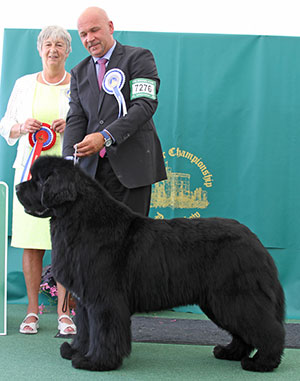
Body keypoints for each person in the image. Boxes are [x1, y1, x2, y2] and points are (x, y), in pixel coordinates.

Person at [0, 26, 76, 335]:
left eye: (60, 44)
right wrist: (21, 126)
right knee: (31, 245)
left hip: (65, 177)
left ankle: (64, 314)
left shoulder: (80, 84)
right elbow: (5, 124)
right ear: (39, 49)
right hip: (30, 175)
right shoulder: (23, 84)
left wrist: (71, 123)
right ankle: (32, 312)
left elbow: (89, 124)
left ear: (68, 51)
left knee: (66, 246)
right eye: (48, 44)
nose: (53, 49)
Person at [63, 6, 167, 216]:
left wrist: (105, 137)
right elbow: (75, 118)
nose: (89, 38)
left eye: (94, 30)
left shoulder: (139, 58)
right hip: (90, 173)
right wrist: (67, 163)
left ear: (110, 27)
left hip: (131, 169)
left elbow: (144, 105)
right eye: (83, 34)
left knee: (132, 244)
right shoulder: (77, 72)